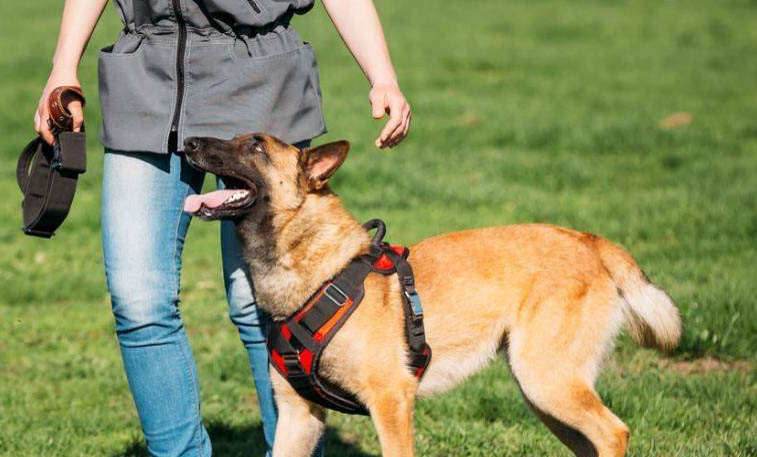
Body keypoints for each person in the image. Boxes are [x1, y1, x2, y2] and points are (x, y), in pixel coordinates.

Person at [34, 1, 411, 456]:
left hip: (260, 79)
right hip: (145, 81)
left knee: (264, 306)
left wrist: (382, 75)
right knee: (138, 301)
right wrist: (62, 67)